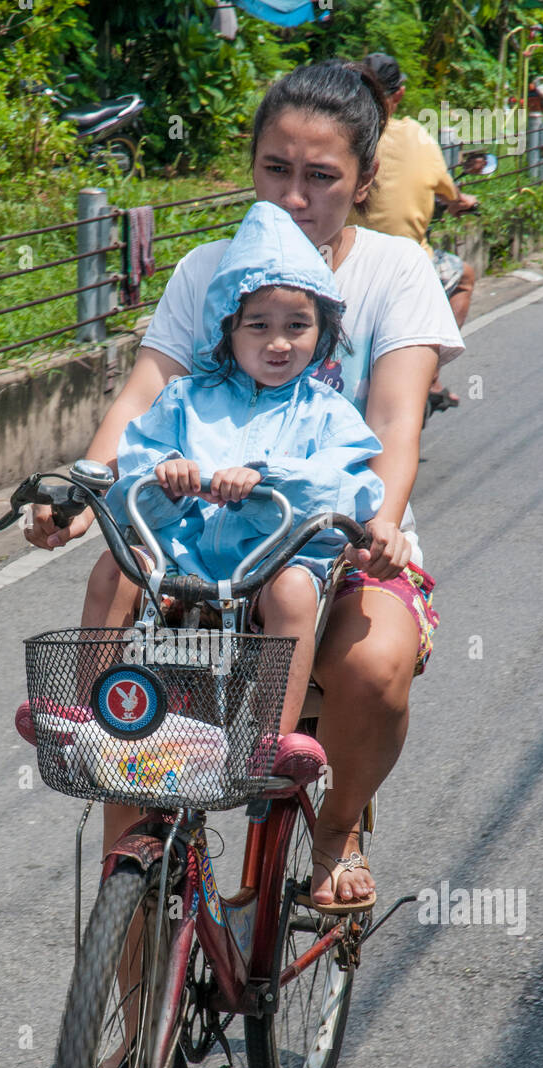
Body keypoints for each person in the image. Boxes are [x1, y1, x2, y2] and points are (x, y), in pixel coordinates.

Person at [23, 59, 463, 911]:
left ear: (364, 180)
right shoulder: (205, 272)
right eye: (275, 170)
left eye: (321, 177)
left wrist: (378, 524)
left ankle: (335, 824)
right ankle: (125, 1033)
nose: (295, 197)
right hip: (194, 539)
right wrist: (81, 489)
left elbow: (395, 426)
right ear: (250, 163)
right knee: (125, 745)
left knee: (373, 667)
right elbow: (145, 395)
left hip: (326, 534)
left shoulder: (394, 272)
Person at [103, 198, 386, 744]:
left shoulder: (330, 413)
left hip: (267, 572)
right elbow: (131, 473)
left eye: (298, 325)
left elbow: (351, 492)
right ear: (226, 330)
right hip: (178, 564)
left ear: (323, 332)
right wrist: (168, 473)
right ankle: (86, 716)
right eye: (258, 325)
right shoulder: (184, 398)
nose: (279, 342)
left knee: (295, 595)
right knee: (115, 567)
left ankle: (269, 745)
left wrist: (267, 478)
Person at [348, 52, 476, 405]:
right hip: (411, 267)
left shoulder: (342, 135)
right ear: (398, 95)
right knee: (464, 275)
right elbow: (449, 192)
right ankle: (431, 376)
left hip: (342, 261)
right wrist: (460, 200)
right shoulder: (416, 136)